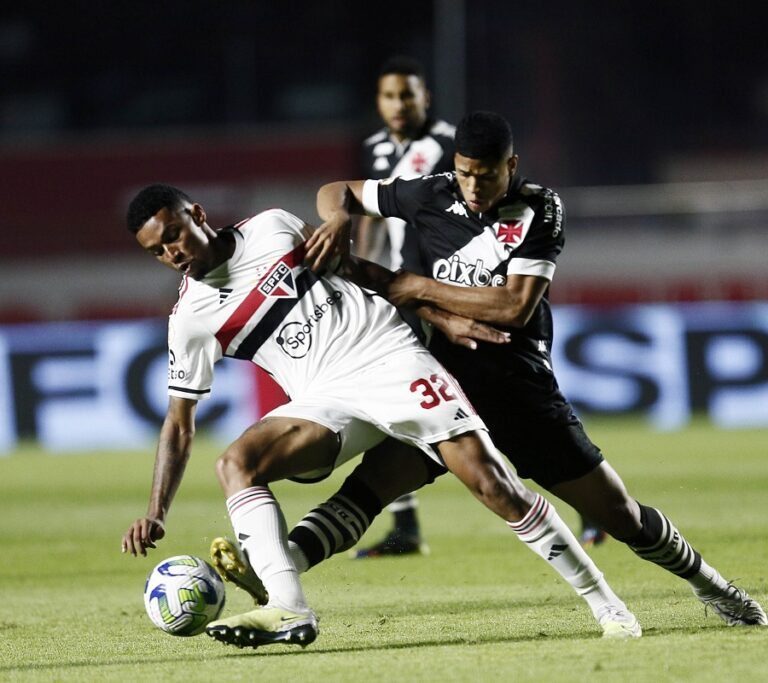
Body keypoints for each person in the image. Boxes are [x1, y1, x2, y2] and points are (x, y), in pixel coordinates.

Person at [120, 183, 643, 652]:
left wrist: (440, 316)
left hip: (388, 357)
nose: (172, 253)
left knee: (495, 486)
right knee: (237, 463)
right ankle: (288, 606)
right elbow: (178, 423)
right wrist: (157, 511)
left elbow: (358, 270)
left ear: (197, 213)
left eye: (174, 235)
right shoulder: (190, 319)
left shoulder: (272, 226)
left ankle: (608, 606)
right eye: (157, 252)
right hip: (323, 398)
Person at [304, 111, 767, 628]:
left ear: (512, 165)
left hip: (519, 388)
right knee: (366, 490)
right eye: (464, 173)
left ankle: (717, 589)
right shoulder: (429, 193)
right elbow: (334, 190)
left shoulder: (538, 209)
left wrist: (417, 287)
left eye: (487, 173)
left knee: (621, 516)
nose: (474, 186)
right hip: (448, 388)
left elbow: (513, 308)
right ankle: (276, 578)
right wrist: (341, 219)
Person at [352, 55, 456, 558]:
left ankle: (586, 498)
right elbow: (369, 212)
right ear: (379, 101)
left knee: (488, 394)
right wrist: (361, 270)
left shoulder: (447, 144)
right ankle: (404, 524)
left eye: (407, 95)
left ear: (425, 98)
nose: (399, 104)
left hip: (443, 290)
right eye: (390, 96)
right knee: (391, 401)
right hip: (397, 293)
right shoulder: (373, 148)